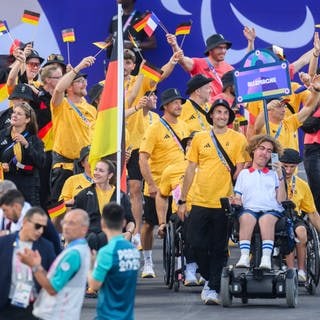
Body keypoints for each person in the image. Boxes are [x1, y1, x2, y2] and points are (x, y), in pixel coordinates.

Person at [177, 98, 248, 304]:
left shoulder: (238, 139)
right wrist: (183, 199)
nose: (222, 116)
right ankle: (210, 276)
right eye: (218, 112)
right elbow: (190, 169)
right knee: (194, 242)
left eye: (225, 113)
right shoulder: (199, 138)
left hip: (224, 202)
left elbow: (240, 169)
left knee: (219, 246)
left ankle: (213, 287)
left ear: (229, 117)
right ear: (211, 115)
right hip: (199, 199)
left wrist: (237, 195)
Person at [139, 88, 191, 278]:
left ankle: (179, 264)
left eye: (180, 102)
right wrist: (151, 184)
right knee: (149, 225)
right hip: (158, 184)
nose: (179, 105)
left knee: (180, 224)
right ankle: (147, 262)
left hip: (179, 184)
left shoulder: (185, 126)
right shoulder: (155, 128)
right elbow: (142, 158)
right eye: (175, 102)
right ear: (165, 106)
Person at [18, 209, 90, 320]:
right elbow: (55, 278)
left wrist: (35, 266)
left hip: (57, 314)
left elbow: (52, 288)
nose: (65, 227)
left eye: (71, 223)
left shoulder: (74, 254)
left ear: (84, 229)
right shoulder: (79, 249)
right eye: (64, 222)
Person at [233, 135, 286, 270]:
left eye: (269, 151)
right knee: (246, 217)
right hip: (249, 209)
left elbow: (281, 200)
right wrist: (236, 200)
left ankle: (266, 258)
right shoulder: (244, 174)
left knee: (266, 219)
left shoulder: (274, 174)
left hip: (271, 210)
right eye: (261, 148)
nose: (265, 153)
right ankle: (244, 256)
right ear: (253, 151)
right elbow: (238, 196)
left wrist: (280, 174)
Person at [50, 56, 97, 203]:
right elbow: (58, 89)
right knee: (60, 211)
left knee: (87, 208)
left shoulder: (91, 108)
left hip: (87, 167)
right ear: (69, 87)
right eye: (79, 81)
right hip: (65, 167)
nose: (84, 84)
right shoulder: (61, 104)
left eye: (84, 80)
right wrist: (79, 66)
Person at [167, 28, 255, 102]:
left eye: (225, 48)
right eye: (220, 48)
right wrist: (174, 45)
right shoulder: (198, 63)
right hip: (207, 112)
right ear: (210, 50)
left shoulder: (229, 68)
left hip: (224, 112)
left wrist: (250, 42)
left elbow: (247, 70)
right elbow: (181, 59)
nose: (223, 51)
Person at [0, 207, 56, 320]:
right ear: (25, 222)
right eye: (37, 226)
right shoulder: (4, 243)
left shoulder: (46, 247)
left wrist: (37, 267)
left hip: (33, 307)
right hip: (6, 305)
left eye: (43, 228)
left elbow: (53, 279)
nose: (40, 231)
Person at [88, 202, 140, 320]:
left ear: (102, 223)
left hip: (107, 315)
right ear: (123, 223)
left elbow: (94, 285)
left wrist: (91, 263)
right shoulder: (134, 251)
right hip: (127, 315)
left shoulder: (107, 252)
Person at [74, 158, 135, 250]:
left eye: (101, 171)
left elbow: (130, 220)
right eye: (96, 169)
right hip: (90, 242)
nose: (96, 173)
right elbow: (75, 218)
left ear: (110, 175)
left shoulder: (120, 196)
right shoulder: (84, 194)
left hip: (113, 241)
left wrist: (129, 233)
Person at [280, 148, 320, 282]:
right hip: (276, 216)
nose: (288, 170)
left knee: (301, 231)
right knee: (287, 231)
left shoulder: (302, 185)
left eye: (292, 167)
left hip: (294, 216)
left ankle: (301, 270)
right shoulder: (271, 180)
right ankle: (291, 271)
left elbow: (312, 213)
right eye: (284, 166)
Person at [254, 74, 320, 150]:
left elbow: (308, 108)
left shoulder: (289, 122)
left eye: (284, 105)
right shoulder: (265, 127)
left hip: (293, 161)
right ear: (270, 109)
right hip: (276, 162)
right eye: (279, 106)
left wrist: (316, 91)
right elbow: (257, 128)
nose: (284, 109)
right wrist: (265, 109)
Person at [0, 102, 45, 205]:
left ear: (27, 119)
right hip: (5, 186)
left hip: (28, 188)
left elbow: (41, 162)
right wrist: (1, 167)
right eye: (14, 112)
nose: (14, 115)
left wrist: (26, 145)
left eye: (19, 114)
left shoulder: (34, 140)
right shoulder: (2, 135)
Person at [0, 189, 62, 255]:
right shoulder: (13, 221)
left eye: (5, 210)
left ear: (16, 206)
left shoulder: (40, 221)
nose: (4, 215)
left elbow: (56, 247)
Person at [107, 0, 157, 74]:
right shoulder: (115, 18)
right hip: (115, 62)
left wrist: (133, 45)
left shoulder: (143, 18)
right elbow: (111, 37)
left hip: (133, 65)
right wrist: (106, 43)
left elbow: (153, 44)